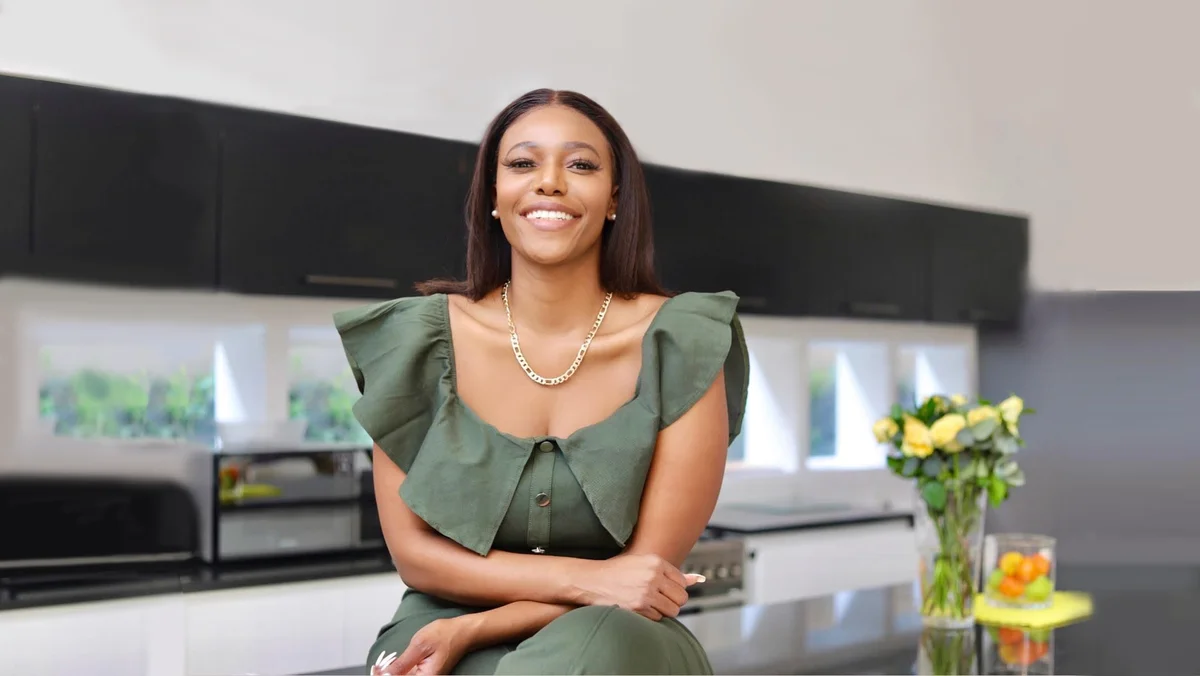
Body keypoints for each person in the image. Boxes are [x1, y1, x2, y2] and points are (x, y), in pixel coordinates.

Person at [334, 88, 749, 675]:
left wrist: (475, 626)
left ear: (613, 200)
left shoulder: (684, 340)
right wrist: (587, 579)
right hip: (435, 619)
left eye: (580, 164)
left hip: (617, 636)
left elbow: (643, 577)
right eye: (523, 164)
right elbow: (417, 557)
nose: (549, 182)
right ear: (493, 199)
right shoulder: (414, 343)